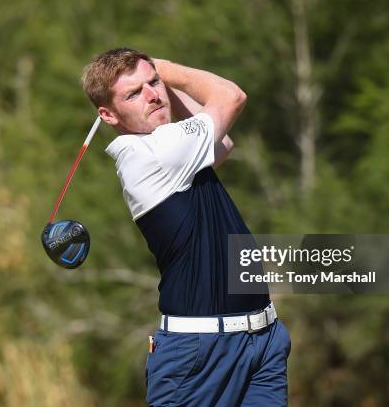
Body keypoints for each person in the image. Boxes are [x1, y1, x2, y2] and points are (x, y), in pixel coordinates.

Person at [82, 48, 291, 406]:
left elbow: (223, 144)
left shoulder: (176, 151)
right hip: (199, 356)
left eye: (153, 84)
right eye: (134, 94)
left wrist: (160, 91)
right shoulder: (152, 154)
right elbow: (231, 96)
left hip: (262, 340)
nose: (152, 95)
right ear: (108, 115)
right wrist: (164, 69)